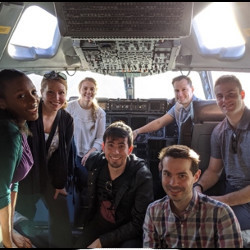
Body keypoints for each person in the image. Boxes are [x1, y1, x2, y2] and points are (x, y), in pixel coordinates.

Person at [143, 144, 243, 248]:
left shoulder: (221, 213)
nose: (173, 183)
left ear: (196, 177)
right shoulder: (153, 211)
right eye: (167, 174)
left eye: (182, 176)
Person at [16, 71, 74, 248]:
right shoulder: (28, 115)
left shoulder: (66, 119)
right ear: (41, 92)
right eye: (50, 92)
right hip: (26, 177)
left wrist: (59, 183)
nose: (56, 97)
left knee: (61, 212)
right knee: (23, 220)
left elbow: (63, 153)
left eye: (61, 92)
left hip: (49, 176)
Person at [74, 121, 154, 248]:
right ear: (103, 147)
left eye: (121, 146)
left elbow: (139, 223)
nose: (115, 152)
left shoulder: (141, 176)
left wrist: (102, 241)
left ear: (130, 149)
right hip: (97, 227)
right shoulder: (95, 164)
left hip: (127, 233)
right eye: (110, 145)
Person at [194, 75, 250, 243]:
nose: (225, 100)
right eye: (220, 96)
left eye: (231, 94)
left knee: (216, 228)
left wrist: (223, 201)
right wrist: (198, 187)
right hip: (231, 190)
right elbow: (214, 170)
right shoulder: (218, 132)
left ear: (242, 94)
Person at [0, 69, 39, 248]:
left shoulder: (19, 126)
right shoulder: (8, 133)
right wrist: (8, 241)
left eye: (33, 92)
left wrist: (10, 232)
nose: (33, 100)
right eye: (21, 96)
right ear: (2, 103)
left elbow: (13, 182)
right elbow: (2, 192)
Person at [66, 77, 106, 226]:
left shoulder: (100, 113)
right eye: (85, 88)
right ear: (79, 90)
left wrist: (91, 152)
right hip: (71, 153)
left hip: (89, 154)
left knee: (89, 183)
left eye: (91, 89)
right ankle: (71, 218)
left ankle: (88, 218)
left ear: (95, 91)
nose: (88, 92)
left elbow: (101, 137)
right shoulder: (69, 108)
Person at [133, 75, 200, 140]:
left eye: (184, 89)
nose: (180, 94)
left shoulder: (202, 108)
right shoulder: (178, 107)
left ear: (192, 89)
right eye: (177, 90)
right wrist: (136, 131)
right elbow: (159, 122)